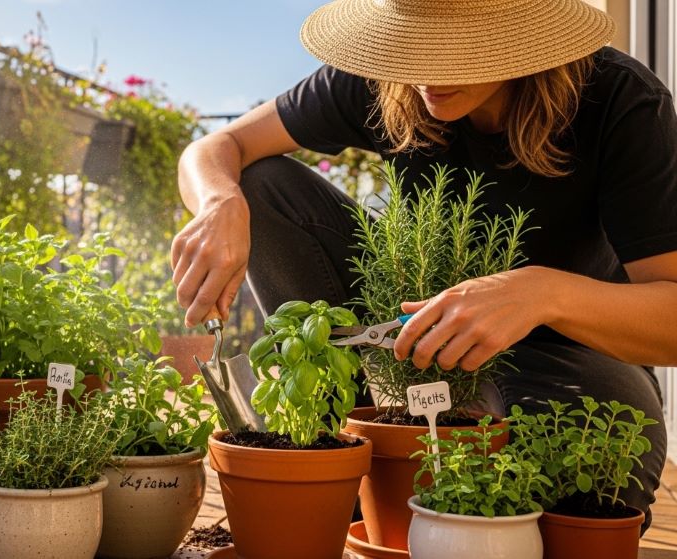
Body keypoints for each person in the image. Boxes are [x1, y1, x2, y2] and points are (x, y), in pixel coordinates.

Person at [170, 0, 677, 527]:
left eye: (453, 49)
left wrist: (540, 293)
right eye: (415, 43)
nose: (425, 74)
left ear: (520, 36)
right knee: (257, 182)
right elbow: (217, 145)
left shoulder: (620, 99)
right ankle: (333, 445)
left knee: (599, 482)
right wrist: (218, 202)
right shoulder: (389, 71)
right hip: (412, 346)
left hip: (567, 358)